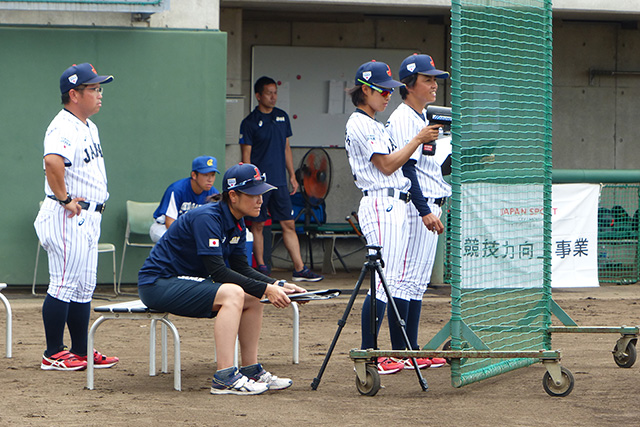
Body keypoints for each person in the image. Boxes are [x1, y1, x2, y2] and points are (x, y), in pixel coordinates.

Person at [138, 163, 307, 395]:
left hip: (181, 282)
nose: (260, 200)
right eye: (254, 194)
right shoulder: (208, 217)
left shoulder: (237, 221)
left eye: (261, 194)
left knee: (250, 295)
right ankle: (225, 377)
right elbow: (219, 272)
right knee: (234, 292)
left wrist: (276, 285)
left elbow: (241, 268)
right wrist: (267, 289)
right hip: (158, 284)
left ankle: (250, 370)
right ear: (233, 196)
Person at [344, 60, 440, 375]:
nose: (388, 95)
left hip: (394, 203)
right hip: (379, 202)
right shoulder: (359, 122)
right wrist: (416, 140)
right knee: (383, 283)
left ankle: (399, 352)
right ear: (365, 89)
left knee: (398, 281)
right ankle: (373, 354)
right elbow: (386, 166)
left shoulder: (375, 123)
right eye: (382, 90)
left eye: (389, 90)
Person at [33, 63, 119, 371]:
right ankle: (53, 352)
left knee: (84, 286)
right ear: (74, 94)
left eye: (99, 88)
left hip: (88, 217)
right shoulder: (63, 125)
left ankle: (81, 350)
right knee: (64, 284)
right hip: (66, 215)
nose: (99, 94)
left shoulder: (87, 125)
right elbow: (52, 162)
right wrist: (65, 199)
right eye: (93, 89)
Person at [385, 54, 452, 370]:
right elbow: (406, 170)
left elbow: (432, 166)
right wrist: (424, 209)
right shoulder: (402, 118)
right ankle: (401, 351)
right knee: (402, 280)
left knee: (416, 282)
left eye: (434, 79)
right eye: (428, 79)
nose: (434, 84)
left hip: (430, 204)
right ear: (409, 85)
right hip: (416, 207)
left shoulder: (423, 116)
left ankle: (411, 349)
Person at [239, 76, 323, 282]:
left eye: (275, 92)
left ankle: (299, 268)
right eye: (268, 93)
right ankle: (261, 267)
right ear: (258, 96)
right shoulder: (249, 122)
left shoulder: (282, 117)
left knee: (289, 224)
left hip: (280, 182)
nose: (273, 96)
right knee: (258, 225)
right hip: (259, 184)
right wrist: (250, 183)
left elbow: (286, 148)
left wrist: (292, 176)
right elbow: (246, 156)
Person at [149, 155, 220, 243]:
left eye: (212, 175)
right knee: (175, 241)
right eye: (205, 175)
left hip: (191, 231)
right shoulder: (177, 190)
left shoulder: (213, 194)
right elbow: (170, 223)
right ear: (194, 175)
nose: (210, 179)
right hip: (162, 227)